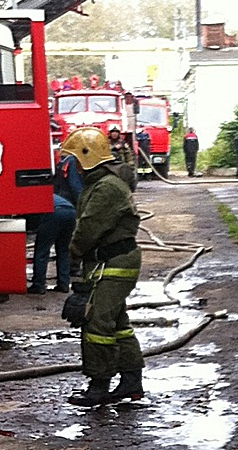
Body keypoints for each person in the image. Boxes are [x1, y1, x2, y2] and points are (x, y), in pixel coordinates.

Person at [60, 127, 144, 407]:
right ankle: (131, 383)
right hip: (106, 261)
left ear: (87, 158)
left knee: (97, 323)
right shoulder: (99, 184)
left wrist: (73, 254)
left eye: (75, 160)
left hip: (115, 262)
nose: (73, 167)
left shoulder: (106, 187)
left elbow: (88, 228)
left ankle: (99, 386)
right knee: (118, 324)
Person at [28, 193, 76, 294]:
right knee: (63, 250)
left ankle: (39, 285)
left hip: (55, 212)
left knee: (42, 250)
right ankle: (64, 284)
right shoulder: (45, 192)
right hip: (71, 211)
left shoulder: (29, 196)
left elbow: (31, 219)